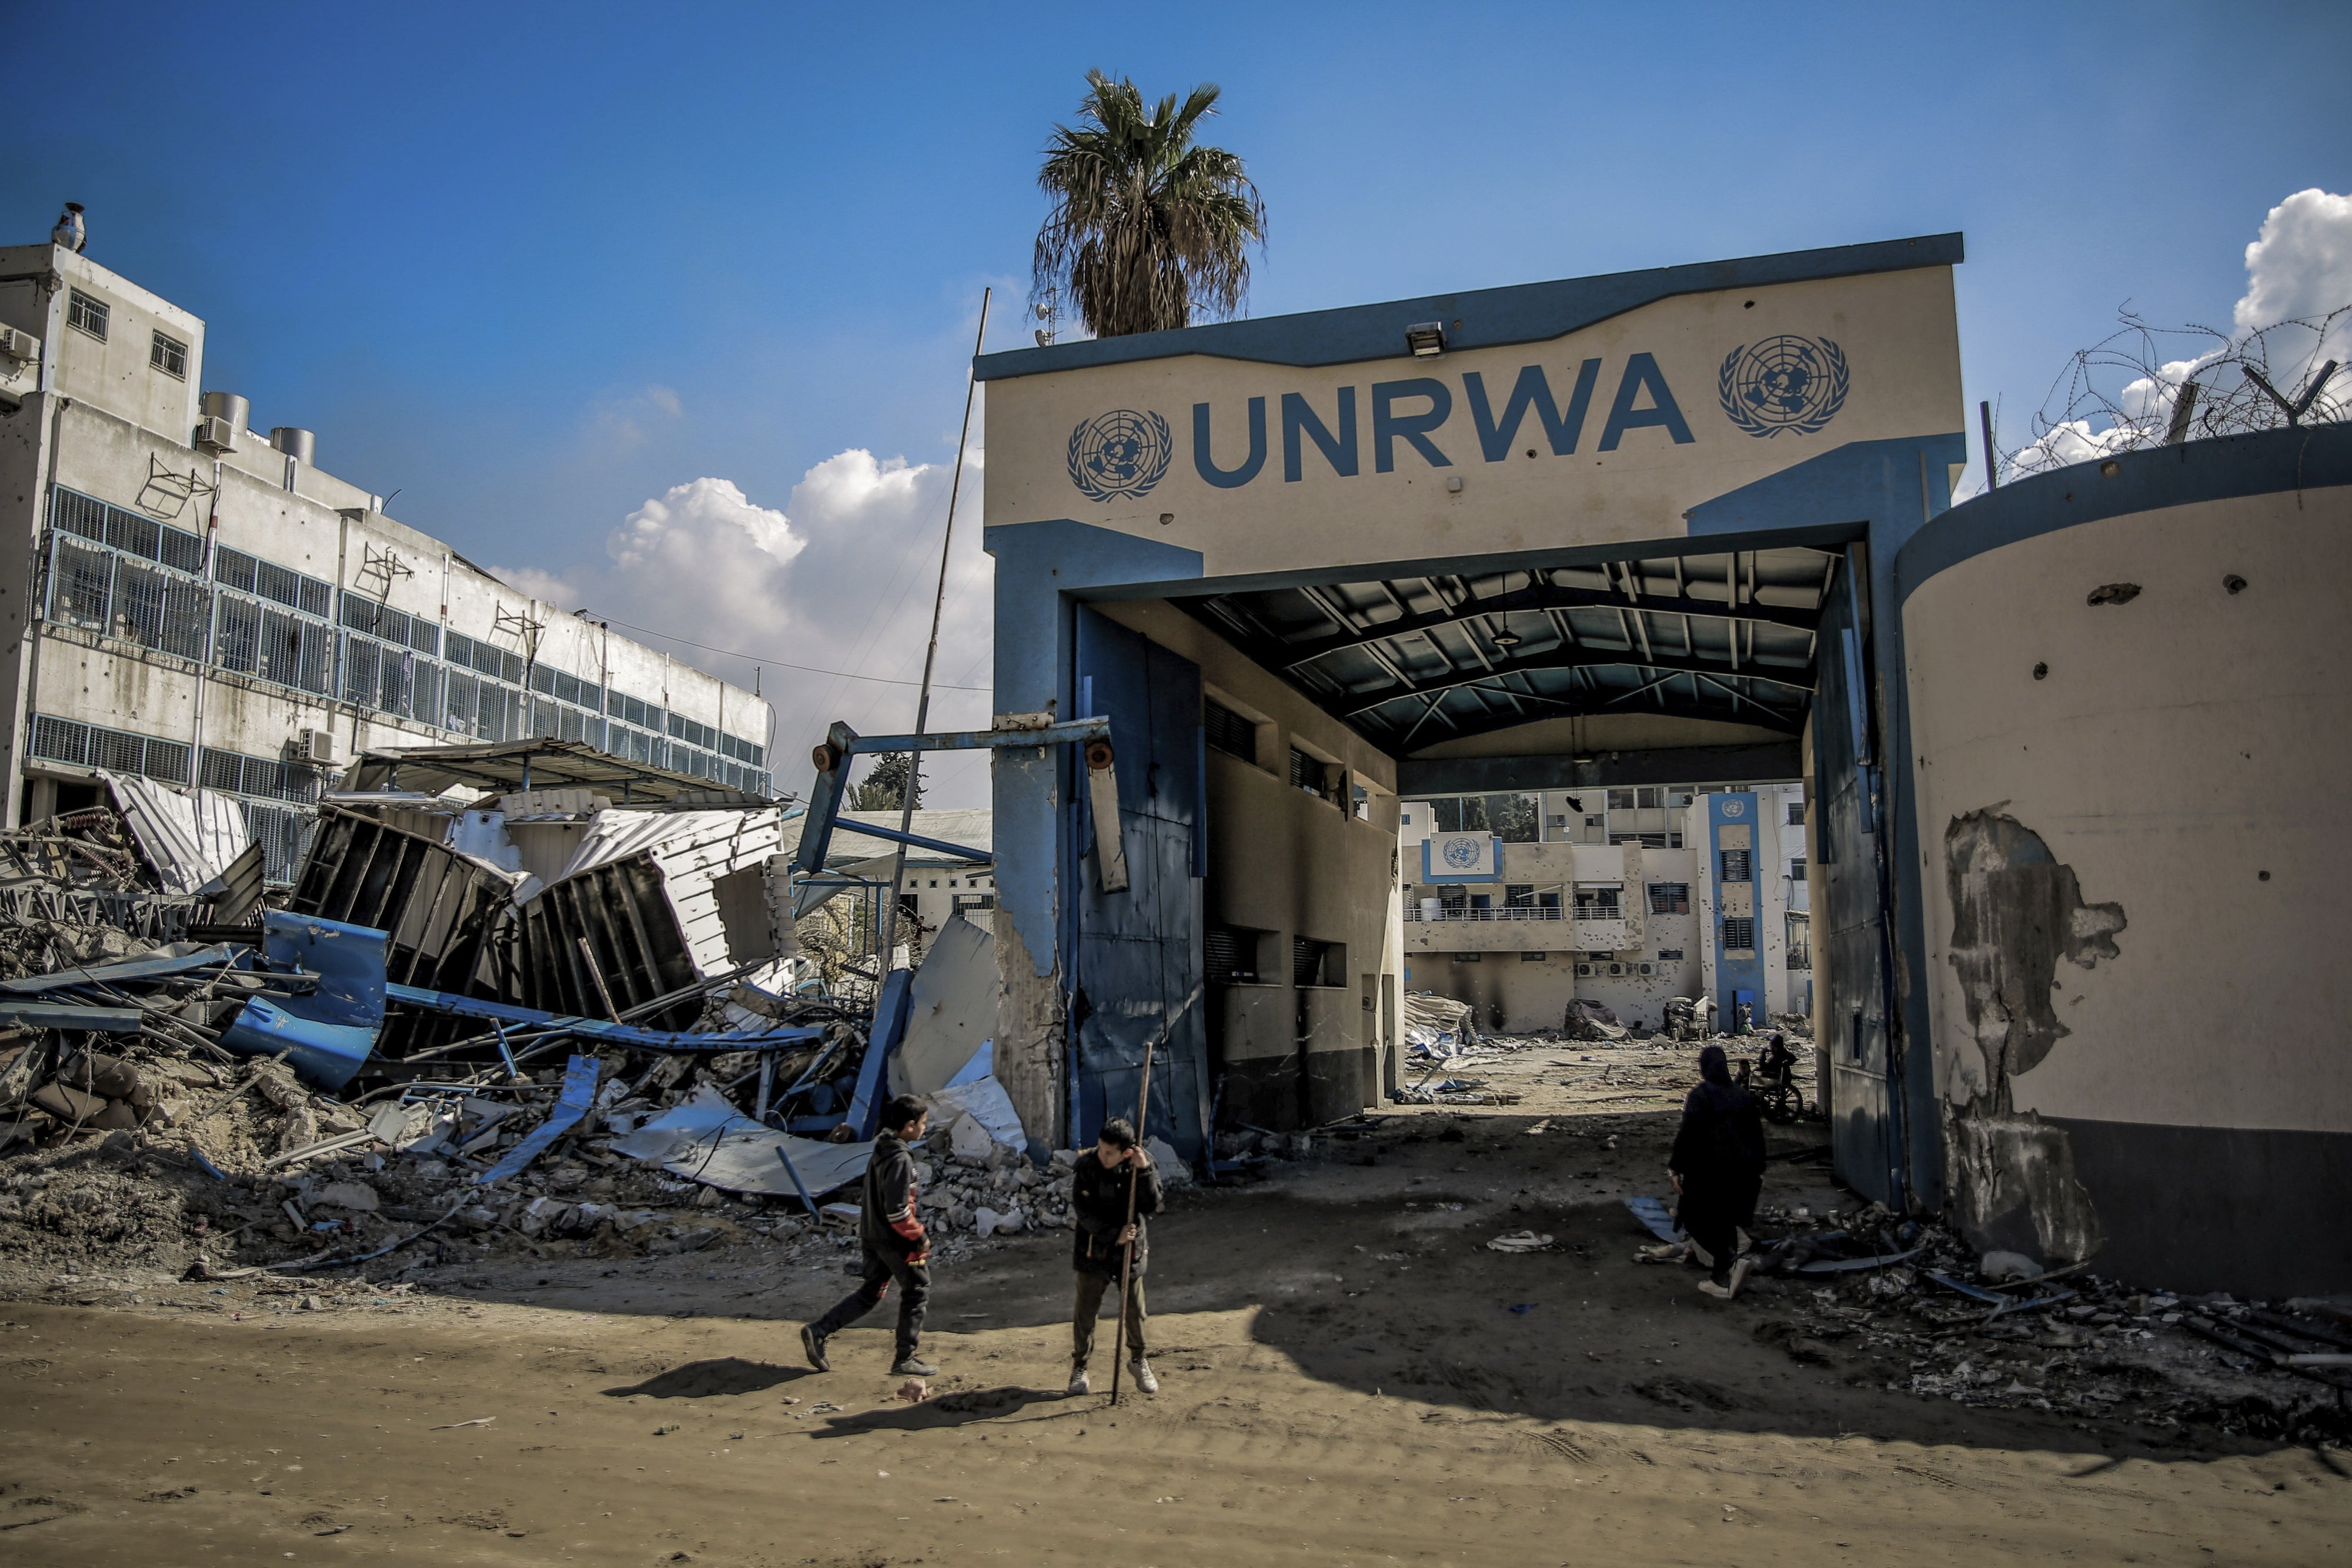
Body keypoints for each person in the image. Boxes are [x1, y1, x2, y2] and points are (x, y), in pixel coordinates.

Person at [801, 1095, 936, 1377]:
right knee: (917, 1290)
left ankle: (820, 1330)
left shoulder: (882, 1150)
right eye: (923, 1123)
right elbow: (898, 1211)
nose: (925, 1128)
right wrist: (919, 1236)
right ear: (910, 1126)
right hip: (895, 1240)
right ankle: (905, 1358)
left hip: (872, 1234)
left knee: (871, 1292)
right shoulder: (900, 1159)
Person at [1067, 1116, 1162, 1396]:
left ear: (1127, 1152)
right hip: (1093, 1247)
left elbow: (1153, 1205)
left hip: (1130, 1248)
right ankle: (1080, 1366)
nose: (1103, 1156)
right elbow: (1083, 1212)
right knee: (1085, 1311)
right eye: (1100, 1148)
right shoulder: (1087, 1166)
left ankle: (1138, 1360)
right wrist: (1111, 1234)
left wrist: (1143, 1172)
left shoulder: (1141, 1165)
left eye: (1110, 1153)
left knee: (1134, 1309)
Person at [1668, 1044, 1767, 1300]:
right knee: (1726, 1222)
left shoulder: (1701, 1095)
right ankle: (1721, 1279)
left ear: (1704, 1068)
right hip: (1742, 1173)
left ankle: (1731, 1263)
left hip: (1707, 1172)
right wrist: (1759, 1170)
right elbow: (1757, 1137)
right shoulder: (1743, 1096)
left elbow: (1687, 1133)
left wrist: (1676, 1167)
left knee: (1691, 1217)